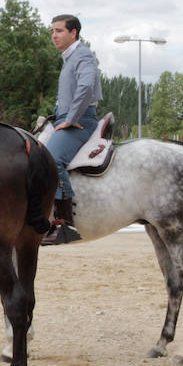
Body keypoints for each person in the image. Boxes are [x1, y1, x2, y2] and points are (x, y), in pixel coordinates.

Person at [41, 14, 103, 245]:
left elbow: (87, 86)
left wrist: (71, 117)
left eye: (58, 31)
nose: (53, 36)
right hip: (64, 118)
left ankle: (65, 225)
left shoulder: (83, 55)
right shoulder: (69, 58)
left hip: (80, 120)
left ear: (73, 33)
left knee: (52, 159)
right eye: (52, 31)